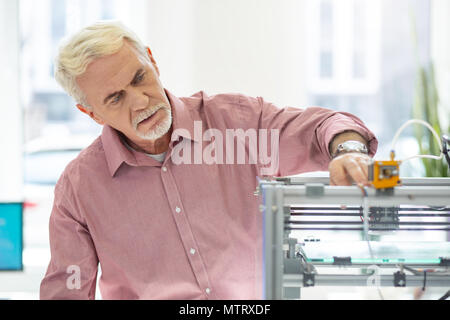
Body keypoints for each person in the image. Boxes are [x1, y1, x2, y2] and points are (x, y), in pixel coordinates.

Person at [40, 21, 378, 300]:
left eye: (140, 77)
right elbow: (65, 292)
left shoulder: (238, 125)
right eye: (116, 98)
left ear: (153, 62)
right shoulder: (80, 188)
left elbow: (324, 126)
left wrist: (349, 151)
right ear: (91, 112)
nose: (140, 100)